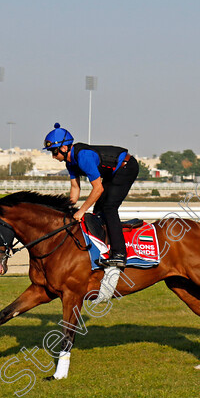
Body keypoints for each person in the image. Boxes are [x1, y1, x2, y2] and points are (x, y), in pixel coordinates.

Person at [44, 123, 139, 300]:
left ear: (64, 147)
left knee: (109, 207)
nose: (53, 156)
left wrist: (81, 211)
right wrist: (67, 211)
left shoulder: (84, 157)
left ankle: (119, 253)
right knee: (98, 212)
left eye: (54, 152)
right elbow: (75, 189)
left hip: (127, 167)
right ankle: (105, 248)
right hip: (113, 172)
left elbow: (98, 189)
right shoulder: (70, 162)